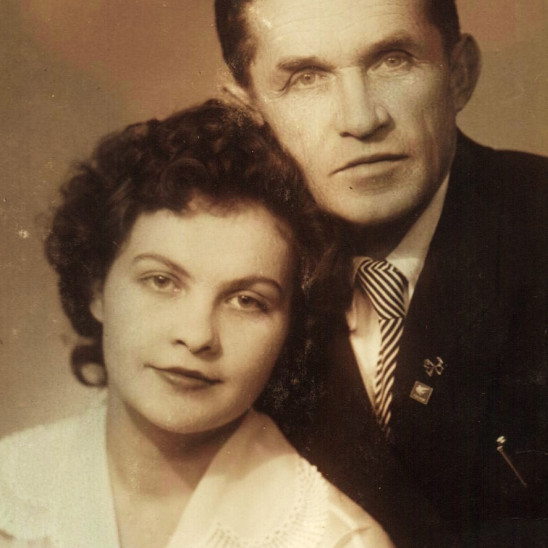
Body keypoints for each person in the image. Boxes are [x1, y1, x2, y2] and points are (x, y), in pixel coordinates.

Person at [214, 0, 548, 546]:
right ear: (248, 114)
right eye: (306, 78)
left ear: (459, 74)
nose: (361, 119)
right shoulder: (230, 281)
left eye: (393, 60)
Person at [0, 101, 394, 548]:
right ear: (96, 289)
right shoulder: (9, 493)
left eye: (247, 301)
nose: (197, 335)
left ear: (291, 330)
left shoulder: (341, 541)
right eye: (161, 281)